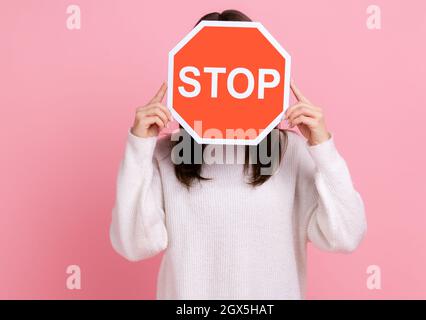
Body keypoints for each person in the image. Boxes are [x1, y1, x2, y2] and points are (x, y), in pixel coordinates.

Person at [109, 9, 366, 299]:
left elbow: (346, 235)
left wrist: (323, 148)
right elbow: (133, 244)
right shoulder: (166, 154)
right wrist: (139, 148)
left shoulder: (290, 152)